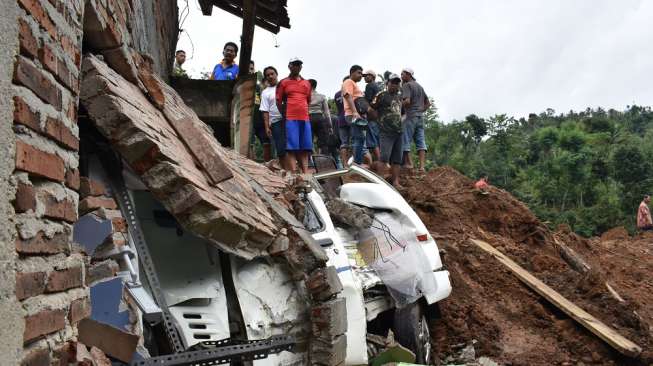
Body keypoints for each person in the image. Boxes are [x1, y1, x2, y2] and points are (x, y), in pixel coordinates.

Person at [276, 57, 312, 173]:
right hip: (290, 118)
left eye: (298, 64)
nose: (296, 66)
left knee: (305, 147)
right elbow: (278, 101)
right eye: (294, 64)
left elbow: (308, 100)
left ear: (301, 67)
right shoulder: (283, 82)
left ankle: (306, 175)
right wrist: (284, 114)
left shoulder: (307, 83)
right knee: (291, 147)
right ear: (289, 66)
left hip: (305, 118)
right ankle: (294, 172)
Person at [369, 73, 403, 187]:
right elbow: (371, 107)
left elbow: (402, 113)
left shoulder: (399, 97)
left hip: (399, 132)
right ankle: (380, 182)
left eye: (397, 83)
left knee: (397, 159)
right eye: (393, 82)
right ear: (388, 83)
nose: (395, 85)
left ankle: (395, 182)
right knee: (384, 157)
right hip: (386, 131)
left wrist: (402, 120)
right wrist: (378, 121)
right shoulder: (381, 95)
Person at [401, 67, 430, 172]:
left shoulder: (406, 85)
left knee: (406, 139)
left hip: (410, 116)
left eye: (402, 74)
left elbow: (407, 101)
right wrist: (421, 110)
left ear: (408, 74)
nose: (401, 77)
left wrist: (396, 104)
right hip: (420, 117)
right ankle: (422, 167)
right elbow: (428, 103)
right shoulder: (420, 87)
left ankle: (409, 164)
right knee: (421, 141)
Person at [341, 65, 367, 165]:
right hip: (352, 114)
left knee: (360, 138)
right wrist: (355, 112)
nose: (361, 75)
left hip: (355, 114)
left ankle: (357, 162)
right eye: (359, 73)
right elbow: (348, 96)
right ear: (352, 73)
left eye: (361, 73)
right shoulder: (348, 82)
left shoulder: (354, 84)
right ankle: (357, 163)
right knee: (358, 137)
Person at [260, 66, 285, 166]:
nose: (270, 76)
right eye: (267, 75)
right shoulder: (265, 92)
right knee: (280, 149)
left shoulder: (284, 85)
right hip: (275, 122)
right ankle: (285, 170)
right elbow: (265, 111)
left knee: (294, 147)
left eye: (272, 74)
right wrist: (267, 127)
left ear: (276, 74)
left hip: (289, 120)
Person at [249, 60, 271, 161]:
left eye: (252, 68)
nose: (250, 71)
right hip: (248, 120)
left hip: (261, 119)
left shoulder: (259, 87)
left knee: (267, 142)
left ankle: (270, 166)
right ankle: (251, 166)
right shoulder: (238, 85)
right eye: (248, 68)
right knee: (250, 144)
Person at [308, 79, 333, 155]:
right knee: (323, 143)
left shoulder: (305, 97)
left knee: (308, 141)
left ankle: (309, 163)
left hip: (308, 119)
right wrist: (330, 125)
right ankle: (325, 162)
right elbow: (326, 112)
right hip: (320, 118)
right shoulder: (322, 96)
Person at [363, 70, 382, 164]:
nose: (365, 77)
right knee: (378, 138)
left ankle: (379, 161)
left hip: (372, 116)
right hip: (379, 116)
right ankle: (381, 160)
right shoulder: (378, 86)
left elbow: (368, 101)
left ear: (372, 76)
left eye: (367, 75)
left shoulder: (369, 85)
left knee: (373, 139)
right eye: (364, 76)